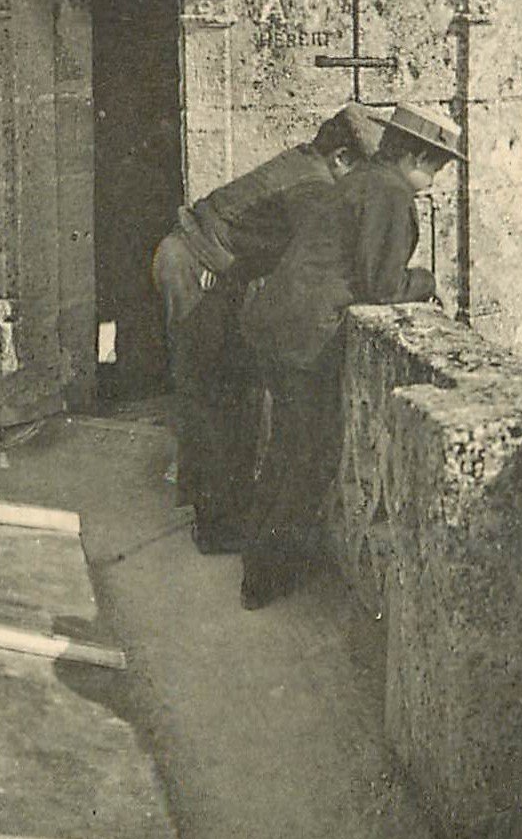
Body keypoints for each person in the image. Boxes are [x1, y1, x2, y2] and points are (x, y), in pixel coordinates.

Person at [236, 102, 463, 610]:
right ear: (419, 157)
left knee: (286, 451)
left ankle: (261, 560)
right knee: (309, 456)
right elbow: (383, 287)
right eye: (439, 163)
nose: (440, 175)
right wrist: (425, 284)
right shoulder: (390, 193)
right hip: (306, 335)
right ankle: (268, 576)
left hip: (278, 322)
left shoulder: (363, 180)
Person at [150, 104, 384, 552]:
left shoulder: (302, 163)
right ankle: (216, 525)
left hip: (189, 260)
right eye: (358, 172)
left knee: (217, 388)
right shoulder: (313, 184)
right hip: (193, 269)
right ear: (341, 158)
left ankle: (213, 509)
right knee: (213, 393)